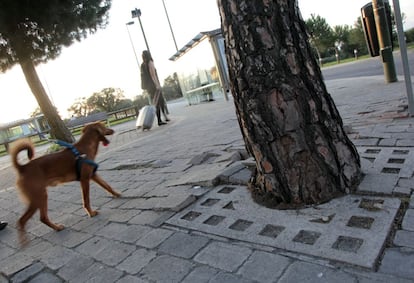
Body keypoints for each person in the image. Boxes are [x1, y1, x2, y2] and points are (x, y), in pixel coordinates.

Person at [141, 50, 169, 126]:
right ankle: (161, 119)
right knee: (160, 102)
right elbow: (153, 75)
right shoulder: (150, 63)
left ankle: (162, 118)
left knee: (156, 103)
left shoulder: (143, 65)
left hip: (149, 88)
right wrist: (157, 85)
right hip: (154, 86)